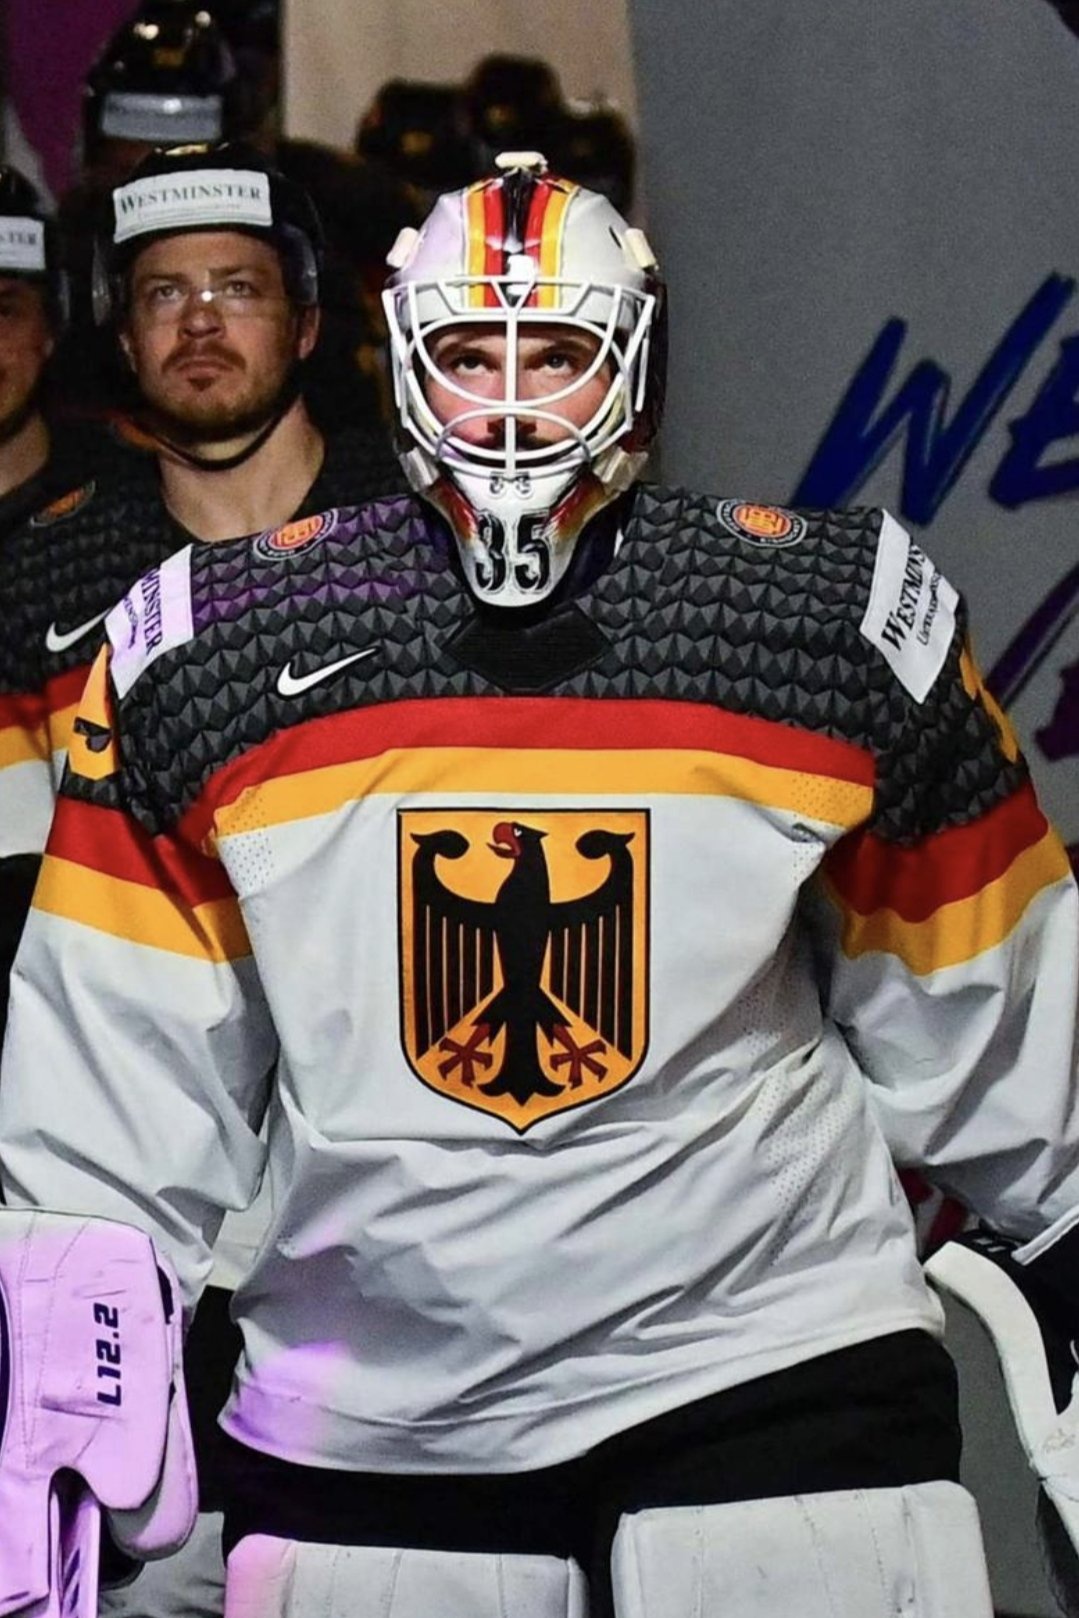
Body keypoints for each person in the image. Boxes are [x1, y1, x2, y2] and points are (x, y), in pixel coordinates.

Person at [2, 151, 1077, 1618]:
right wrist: (71, 1367)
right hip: (377, 1400)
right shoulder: (207, 649)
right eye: (470, 354)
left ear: (632, 363)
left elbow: (996, 1009)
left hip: (766, 1360)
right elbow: (114, 1070)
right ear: (404, 364)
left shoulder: (824, 623)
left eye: (556, 353)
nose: (509, 403)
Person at [0, 139, 402, 1618]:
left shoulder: (429, 537)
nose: (202, 322)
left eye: (239, 286)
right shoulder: (38, 580)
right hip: (150, 1222)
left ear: (309, 319)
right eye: (164, 293)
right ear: (116, 329)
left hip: (403, 1202)